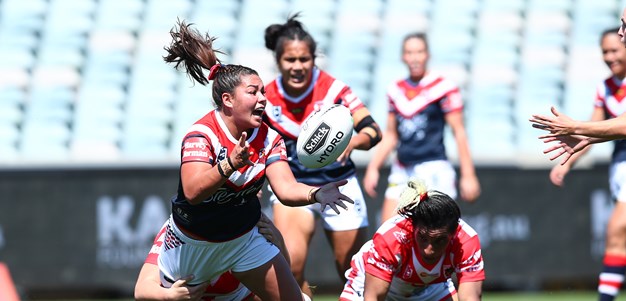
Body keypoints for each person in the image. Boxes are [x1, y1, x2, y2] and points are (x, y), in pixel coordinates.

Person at [156, 20, 354, 301]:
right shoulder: (201, 135)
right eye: (253, 92)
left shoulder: (268, 137)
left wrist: (317, 193)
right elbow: (193, 192)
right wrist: (229, 165)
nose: (263, 98)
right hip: (193, 245)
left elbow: (285, 189)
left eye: (263, 91)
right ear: (227, 100)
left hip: (243, 240)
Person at [262, 14, 383, 297]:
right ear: (278, 61)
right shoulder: (265, 98)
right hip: (294, 188)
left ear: (314, 59)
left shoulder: (333, 90)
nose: (298, 66)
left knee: (352, 271)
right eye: (290, 60)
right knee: (290, 265)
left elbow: (373, 131)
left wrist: (353, 143)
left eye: (304, 59)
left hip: (339, 185)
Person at [534, 28, 626, 301]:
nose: (610, 56)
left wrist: (576, 127)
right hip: (619, 166)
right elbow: (594, 132)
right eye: (605, 51)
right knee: (617, 239)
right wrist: (567, 161)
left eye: (616, 49)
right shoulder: (605, 87)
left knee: (616, 230)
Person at [362, 32, 481, 224]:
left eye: (419, 52)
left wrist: (468, 175)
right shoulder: (396, 89)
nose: (414, 58)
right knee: (388, 233)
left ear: (427, 55)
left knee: (438, 232)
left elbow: (458, 131)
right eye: (409, 52)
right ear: (403, 57)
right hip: (403, 169)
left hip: (434, 168)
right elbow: (392, 134)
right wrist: (373, 167)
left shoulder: (443, 87)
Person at [339, 180, 484, 301]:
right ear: (412, 227)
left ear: (454, 234)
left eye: (439, 240)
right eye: (422, 238)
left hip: (431, 288)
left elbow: (470, 297)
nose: (429, 249)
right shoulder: (391, 237)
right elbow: (374, 296)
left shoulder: (466, 241)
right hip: (371, 283)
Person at [135, 214, 291, 301]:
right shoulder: (179, 232)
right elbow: (142, 288)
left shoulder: (260, 227)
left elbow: (284, 281)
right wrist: (169, 296)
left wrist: (279, 244)